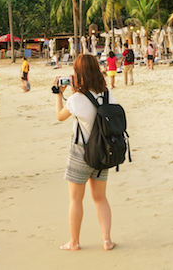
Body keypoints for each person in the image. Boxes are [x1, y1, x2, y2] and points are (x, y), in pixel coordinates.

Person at [54, 54, 116, 252]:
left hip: (80, 152)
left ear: (78, 73)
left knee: (75, 199)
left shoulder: (75, 99)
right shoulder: (107, 94)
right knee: (100, 198)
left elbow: (60, 116)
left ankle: (74, 242)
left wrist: (59, 95)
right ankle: (106, 240)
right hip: (103, 152)